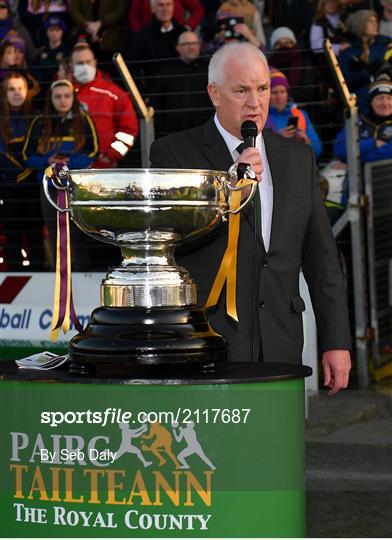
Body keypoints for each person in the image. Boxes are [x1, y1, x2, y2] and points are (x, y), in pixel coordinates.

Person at [150, 42, 352, 394]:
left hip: (282, 343)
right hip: (205, 342)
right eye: (241, 90)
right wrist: (228, 194)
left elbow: (321, 258)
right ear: (214, 93)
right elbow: (169, 242)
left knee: (278, 448)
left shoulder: (297, 157)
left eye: (262, 89)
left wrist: (337, 341)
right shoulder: (174, 152)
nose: (255, 102)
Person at [22, 78, 99, 270]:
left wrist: (68, 164)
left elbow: (94, 152)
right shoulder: (40, 122)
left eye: (67, 96)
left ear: (73, 97)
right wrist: (48, 162)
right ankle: (58, 274)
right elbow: (27, 156)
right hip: (49, 186)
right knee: (54, 230)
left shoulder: (83, 119)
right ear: (51, 99)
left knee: (79, 231)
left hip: (77, 185)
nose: (63, 100)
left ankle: (82, 272)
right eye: (58, 97)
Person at [0, 72, 44, 270]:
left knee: (35, 234)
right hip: (7, 186)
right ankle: (14, 277)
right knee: (12, 235)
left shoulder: (37, 118)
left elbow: (40, 151)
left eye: (21, 88)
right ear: (4, 93)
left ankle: (39, 276)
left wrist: (26, 170)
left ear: (27, 91)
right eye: (11, 89)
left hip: (33, 186)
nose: (16, 93)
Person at [71, 44, 139, 168]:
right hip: (69, 166)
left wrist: (110, 156)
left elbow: (129, 131)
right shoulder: (64, 93)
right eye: (80, 63)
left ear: (95, 62)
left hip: (105, 168)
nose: (85, 66)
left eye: (88, 61)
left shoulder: (114, 93)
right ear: (71, 66)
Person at [152, 30, 211, 134]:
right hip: (173, 133)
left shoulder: (210, 70)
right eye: (186, 44)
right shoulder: (166, 72)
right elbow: (157, 102)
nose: (191, 47)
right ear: (178, 48)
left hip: (205, 132)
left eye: (194, 43)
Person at [339, 9, 391, 109]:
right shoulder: (349, 52)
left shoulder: (386, 45)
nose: (375, 24)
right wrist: (365, 67)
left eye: (376, 21)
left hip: (386, 92)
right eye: (370, 21)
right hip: (362, 97)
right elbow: (347, 82)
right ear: (360, 25)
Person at [266, 68, 323, 158]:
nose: (279, 96)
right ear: (267, 95)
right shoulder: (262, 117)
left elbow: (318, 150)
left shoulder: (301, 114)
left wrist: (307, 142)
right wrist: (277, 139)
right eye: (274, 92)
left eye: (283, 92)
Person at [334, 76, 392, 162]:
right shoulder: (357, 121)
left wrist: (353, 162)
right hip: (361, 175)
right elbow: (340, 150)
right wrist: (373, 143)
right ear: (371, 102)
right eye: (380, 98)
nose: (385, 103)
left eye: (389, 98)